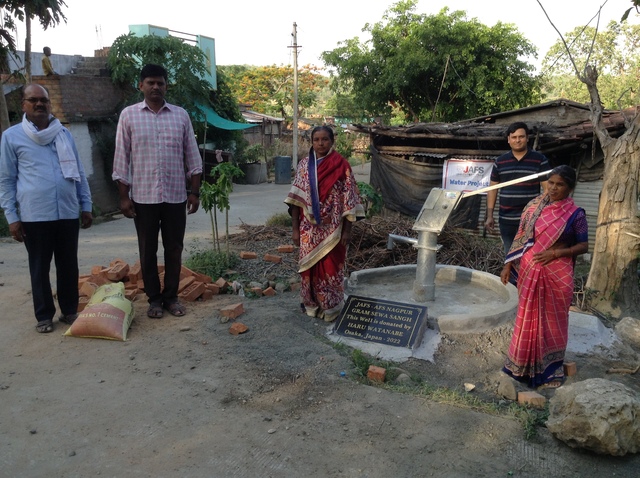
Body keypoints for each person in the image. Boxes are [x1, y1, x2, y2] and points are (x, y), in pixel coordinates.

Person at [0, 83, 93, 333]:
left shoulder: (63, 134)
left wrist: (86, 204)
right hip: (35, 214)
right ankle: (44, 316)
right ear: (24, 105)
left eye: (44, 100)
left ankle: (69, 310)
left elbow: (79, 171)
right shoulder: (12, 137)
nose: (40, 104)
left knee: (68, 265)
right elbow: (6, 180)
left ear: (50, 104)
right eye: (33, 100)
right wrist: (12, 217)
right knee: (39, 267)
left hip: (67, 211)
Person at [112, 64, 202, 319]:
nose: (155, 87)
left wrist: (195, 192)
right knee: (147, 250)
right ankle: (154, 299)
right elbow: (121, 158)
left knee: (174, 248)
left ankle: (171, 297)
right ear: (141, 85)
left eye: (160, 83)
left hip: (175, 196)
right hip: (143, 197)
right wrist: (123, 197)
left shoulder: (180, 116)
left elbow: (192, 156)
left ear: (166, 86)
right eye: (150, 82)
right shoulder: (129, 116)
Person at [500, 165, 588, 389]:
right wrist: (508, 265)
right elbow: (520, 238)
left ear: (570, 188)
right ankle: (520, 366)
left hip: (558, 273)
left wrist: (556, 253)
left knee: (554, 321)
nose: (553, 188)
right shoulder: (533, 207)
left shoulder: (575, 214)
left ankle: (550, 369)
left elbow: (583, 245)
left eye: (560, 184)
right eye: (551, 183)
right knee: (527, 317)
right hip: (530, 268)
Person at [285, 126, 365, 322]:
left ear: (332, 141)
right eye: (316, 140)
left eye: (325, 139)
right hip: (308, 229)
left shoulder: (341, 165)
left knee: (331, 268)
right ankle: (311, 305)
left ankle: (330, 308)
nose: (320, 143)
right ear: (311, 142)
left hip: (334, 230)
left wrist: (347, 231)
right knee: (308, 267)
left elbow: (350, 200)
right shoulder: (304, 166)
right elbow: (295, 201)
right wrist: (295, 230)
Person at [485, 122, 550, 254]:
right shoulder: (500, 162)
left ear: (527, 138)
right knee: (509, 255)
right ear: (508, 140)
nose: (517, 140)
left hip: (530, 220)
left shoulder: (539, 160)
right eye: (514, 137)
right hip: (506, 220)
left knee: (529, 255)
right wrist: (489, 215)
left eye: (521, 137)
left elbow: (548, 190)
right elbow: (492, 189)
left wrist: (542, 213)